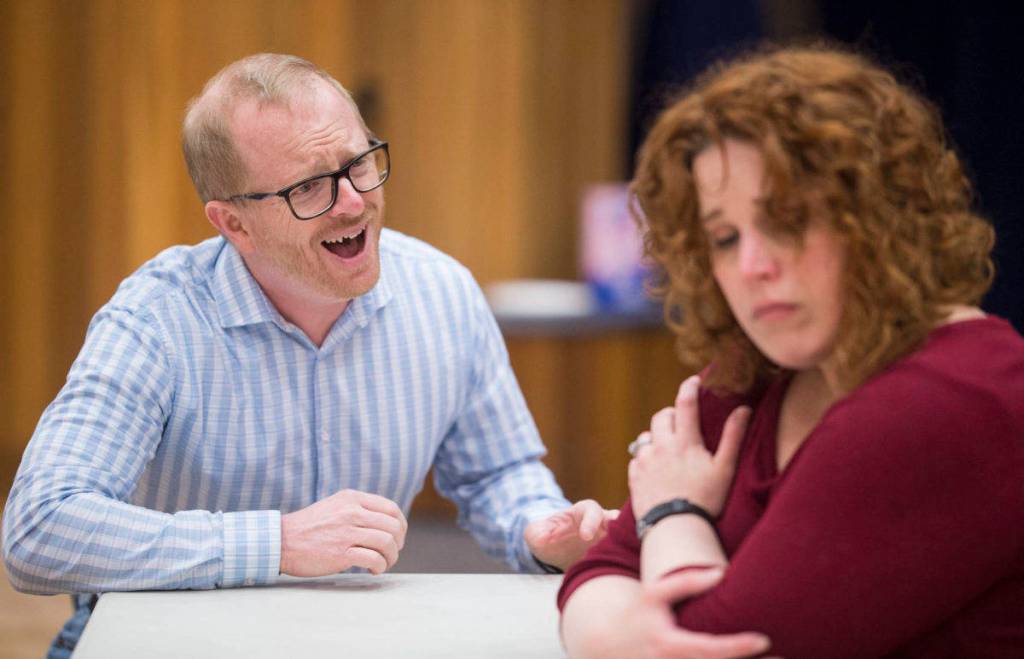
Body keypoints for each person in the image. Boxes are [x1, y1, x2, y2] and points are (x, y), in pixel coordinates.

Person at [1, 53, 618, 657]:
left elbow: (498, 473)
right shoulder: (155, 321)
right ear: (233, 224)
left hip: (357, 642)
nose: (353, 202)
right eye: (309, 187)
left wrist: (538, 529)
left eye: (359, 165)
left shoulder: (442, 292)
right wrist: (277, 543)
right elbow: (38, 530)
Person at [558, 44, 1024, 658]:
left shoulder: (947, 397)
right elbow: (600, 568)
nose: (752, 266)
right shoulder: (761, 369)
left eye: (788, 220)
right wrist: (623, 622)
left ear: (880, 217)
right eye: (723, 237)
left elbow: (719, 647)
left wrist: (672, 512)